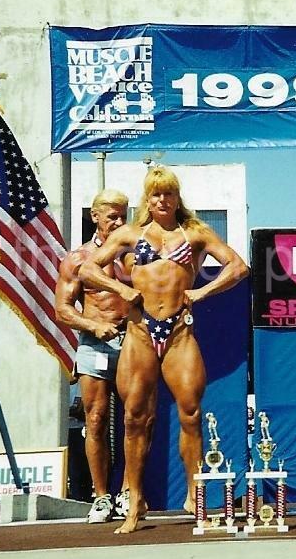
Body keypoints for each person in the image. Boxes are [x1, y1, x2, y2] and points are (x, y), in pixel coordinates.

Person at [79, 166, 249, 534]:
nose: (161, 200)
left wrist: (202, 292)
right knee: (133, 417)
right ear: (147, 198)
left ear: (177, 197)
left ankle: (194, 495)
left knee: (190, 412)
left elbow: (238, 266)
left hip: (179, 332)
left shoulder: (195, 233)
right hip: (140, 331)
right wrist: (121, 289)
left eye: (167, 194)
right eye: (155, 195)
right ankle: (134, 501)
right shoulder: (129, 234)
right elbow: (88, 270)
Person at [54, 188, 132, 524]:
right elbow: (62, 309)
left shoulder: (136, 255)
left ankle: (129, 491)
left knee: (135, 420)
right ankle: (101, 497)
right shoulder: (77, 259)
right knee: (95, 419)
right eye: (111, 216)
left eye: (122, 216)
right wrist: (92, 325)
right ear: (94, 217)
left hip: (133, 343)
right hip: (95, 343)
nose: (117, 222)